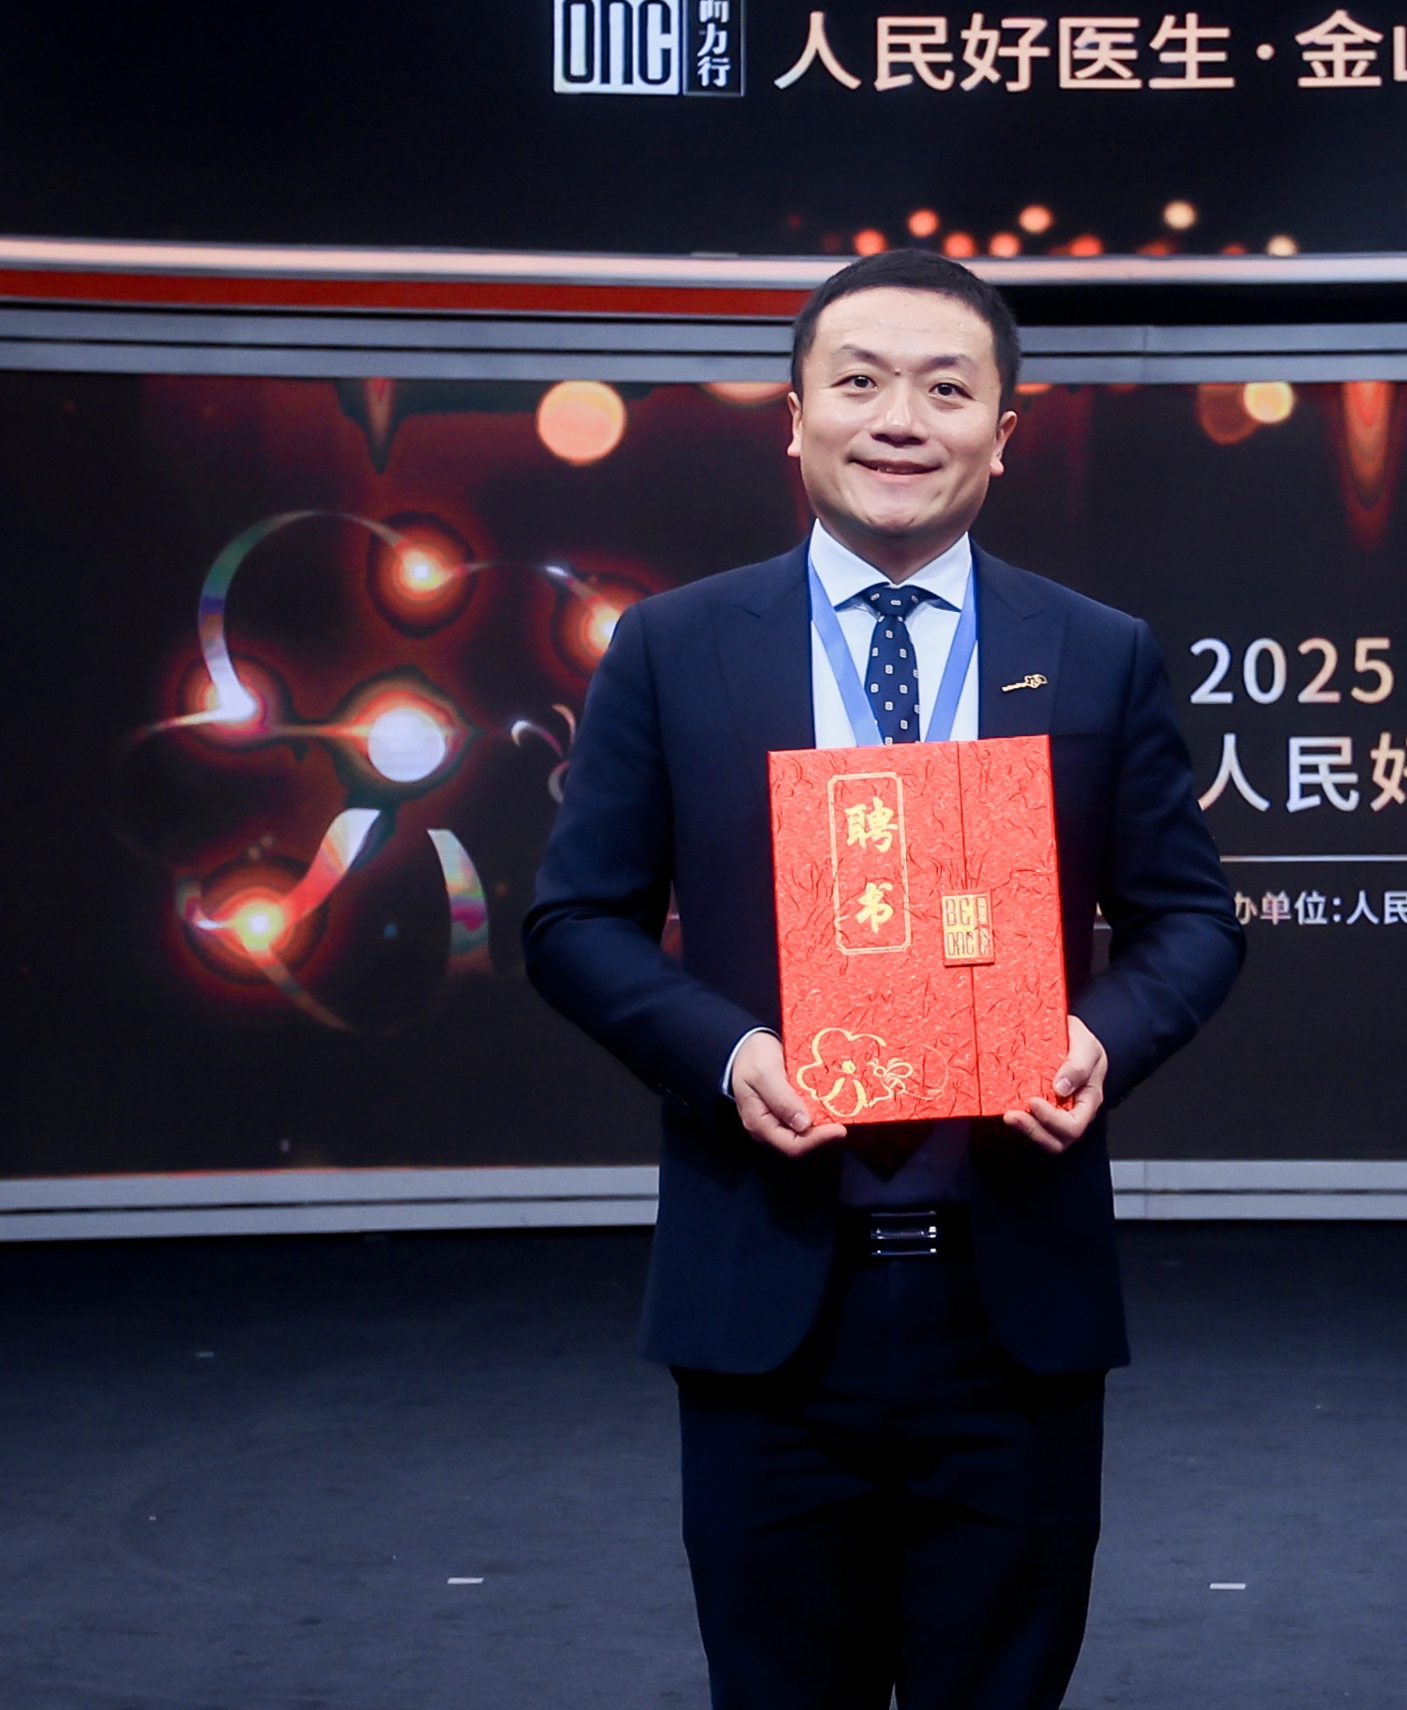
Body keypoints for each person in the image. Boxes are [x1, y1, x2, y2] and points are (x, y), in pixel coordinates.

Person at [524, 248, 1245, 1710]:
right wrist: (730, 1056)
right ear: (795, 420)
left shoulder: (1095, 653)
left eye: (945, 388)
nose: (901, 419)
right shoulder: (674, 647)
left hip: (1013, 1296)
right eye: (859, 382)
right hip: (768, 1296)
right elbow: (575, 919)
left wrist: (1100, 1038)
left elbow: (1192, 918)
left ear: (1005, 432)